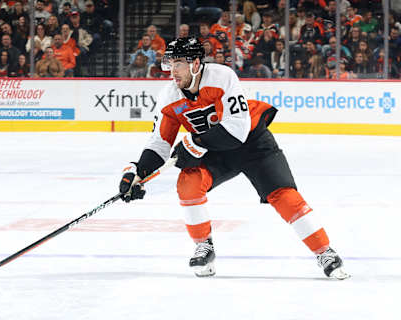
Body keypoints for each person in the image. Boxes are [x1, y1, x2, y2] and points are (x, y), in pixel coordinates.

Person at [117, 37, 350, 280]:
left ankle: (325, 252)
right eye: (170, 64)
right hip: (214, 152)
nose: (172, 71)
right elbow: (159, 143)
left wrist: (195, 143)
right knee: (188, 184)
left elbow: (237, 129)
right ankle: (203, 246)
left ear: (196, 64)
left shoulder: (222, 77)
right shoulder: (168, 97)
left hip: (252, 143)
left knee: (285, 196)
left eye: (179, 64)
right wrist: (138, 172)